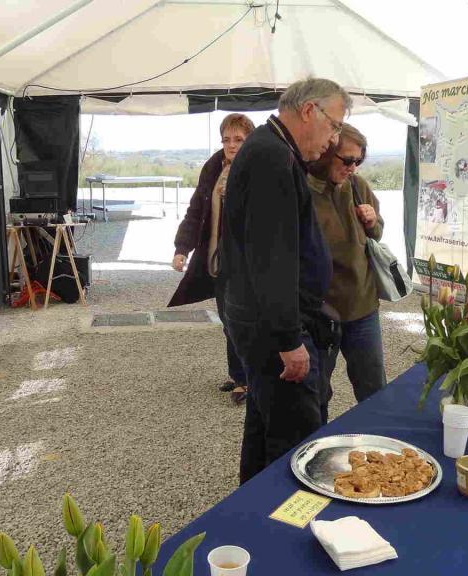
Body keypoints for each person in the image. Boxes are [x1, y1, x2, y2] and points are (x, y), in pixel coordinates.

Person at [219, 78, 350, 483]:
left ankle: (251, 516)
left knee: (266, 424)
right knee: (297, 437)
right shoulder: (271, 156)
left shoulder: (273, 149)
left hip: (260, 319)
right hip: (269, 326)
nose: (333, 141)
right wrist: (289, 340)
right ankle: (282, 529)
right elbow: (272, 258)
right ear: (310, 111)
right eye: (334, 126)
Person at [169, 113, 255, 404]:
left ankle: (249, 380)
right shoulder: (213, 166)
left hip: (246, 264)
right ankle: (237, 374)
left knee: (241, 321)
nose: (231, 145)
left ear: (250, 140)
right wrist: (182, 247)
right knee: (228, 322)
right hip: (217, 262)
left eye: (239, 140)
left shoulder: (258, 168)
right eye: (227, 139)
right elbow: (196, 210)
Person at [307, 123, 386, 402]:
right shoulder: (302, 191)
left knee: (373, 389)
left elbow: (377, 232)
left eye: (359, 161)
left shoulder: (357, 185)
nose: (353, 167)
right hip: (322, 313)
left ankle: (376, 441)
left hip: (363, 306)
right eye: (349, 160)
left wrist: (373, 221)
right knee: (315, 394)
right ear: (326, 153)